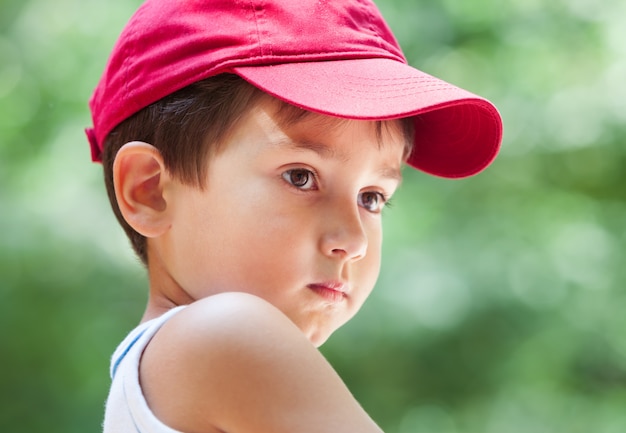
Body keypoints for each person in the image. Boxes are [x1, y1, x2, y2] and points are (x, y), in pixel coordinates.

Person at [86, 0, 503, 431]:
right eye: (301, 177)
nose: (354, 241)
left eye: (372, 198)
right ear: (151, 190)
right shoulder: (225, 334)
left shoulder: (162, 373)